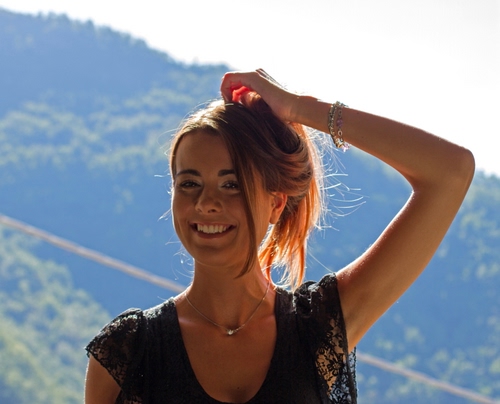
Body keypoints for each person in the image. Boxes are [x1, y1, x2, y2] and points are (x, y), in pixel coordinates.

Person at [84, 69, 475, 403]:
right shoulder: (128, 352)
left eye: (231, 184)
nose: (206, 203)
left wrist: (300, 108)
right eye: (189, 183)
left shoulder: (317, 327)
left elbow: (451, 171)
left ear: (275, 203)